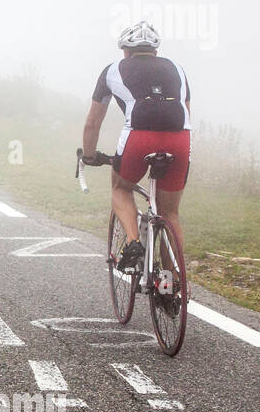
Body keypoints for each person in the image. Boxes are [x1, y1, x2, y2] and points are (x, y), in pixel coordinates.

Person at [82, 20, 191, 270]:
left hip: (139, 137)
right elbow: (186, 113)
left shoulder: (112, 70)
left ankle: (133, 244)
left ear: (126, 51)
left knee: (121, 188)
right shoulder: (177, 69)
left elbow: (93, 122)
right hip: (180, 138)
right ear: (155, 51)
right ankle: (171, 281)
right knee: (170, 213)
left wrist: (89, 155)